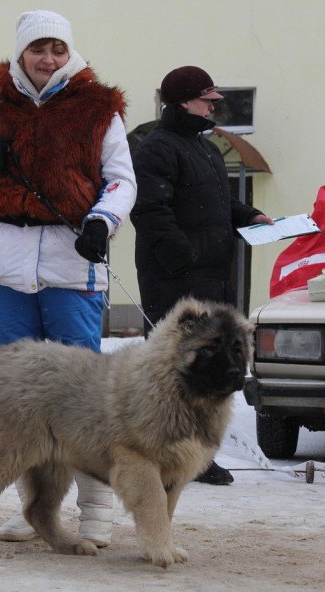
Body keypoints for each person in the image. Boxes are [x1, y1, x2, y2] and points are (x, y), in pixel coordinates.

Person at [0, 10, 137, 545]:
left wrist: (103, 221)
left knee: (85, 395)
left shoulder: (99, 108)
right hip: (6, 269)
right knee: (17, 397)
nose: (48, 59)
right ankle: (34, 509)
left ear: (69, 54)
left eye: (57, 49)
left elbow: (122, 180)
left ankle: (96, 509)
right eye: (38, 49)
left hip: (70, 262)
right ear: (21, 53)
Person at [130, 65, 273, 485]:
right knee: (171, 372)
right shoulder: (155, 149)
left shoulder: (206, 148)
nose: (215, 106)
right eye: (208, 100)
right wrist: (185, 258)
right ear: (182, 102)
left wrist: (251, 215)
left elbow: (220, 203)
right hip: (174, 279)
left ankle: (197, 456)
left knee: (208, 370)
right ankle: (160, 452)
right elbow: (149, 211)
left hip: (212, 275)